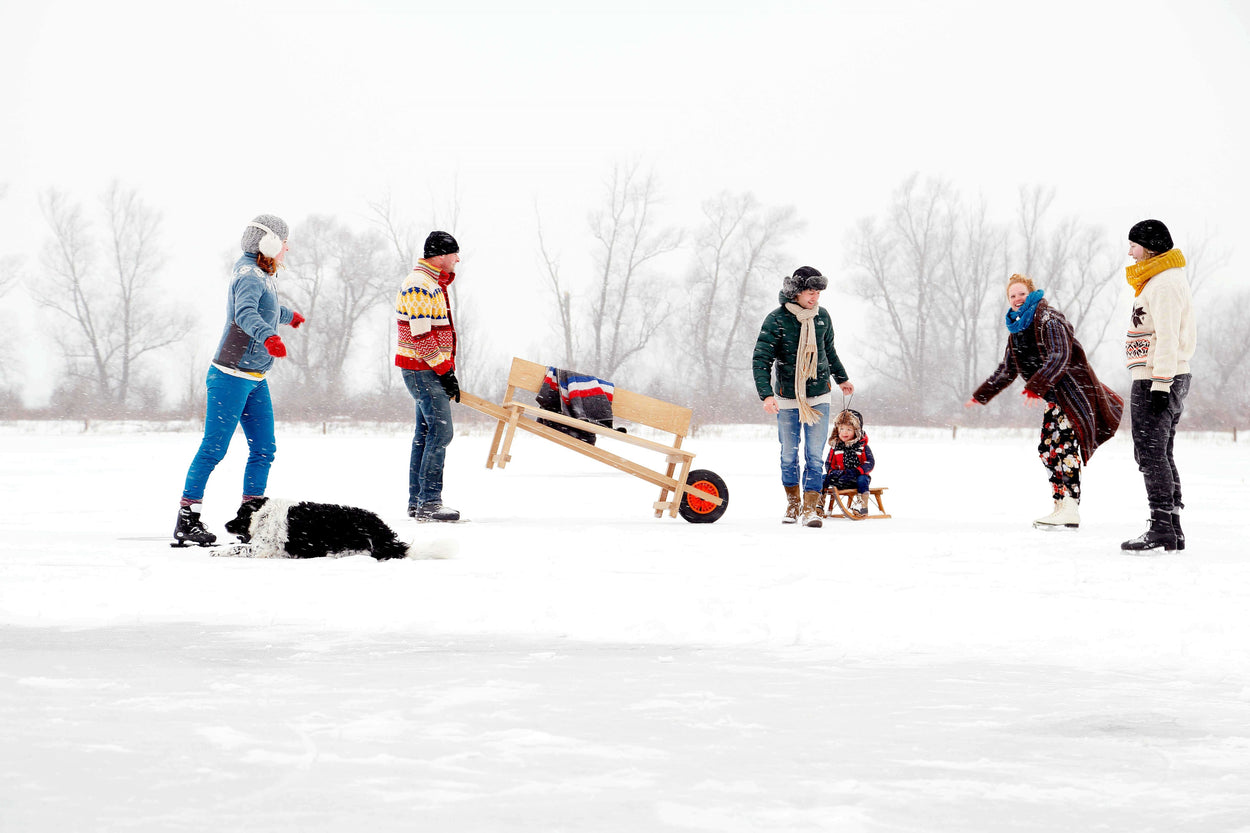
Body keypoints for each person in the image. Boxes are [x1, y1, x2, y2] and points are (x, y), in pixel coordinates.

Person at [173, 215, 305, 546]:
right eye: (283, 241)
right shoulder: (249, 275)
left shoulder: (261, 273)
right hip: (230, 375)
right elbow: (245, 314)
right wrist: (269, 337)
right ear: (270, 244)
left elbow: (266, 309)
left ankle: (251, 519)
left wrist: (288, 316)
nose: (287, 247)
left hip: (255, 377)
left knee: (264, 449)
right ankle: (187, 521)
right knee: (214, 448)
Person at [966, 274, 1122, 530]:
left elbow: (1060, 355)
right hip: (1055, 398)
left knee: (1065, 447)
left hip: (1074, 394)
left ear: (1031, 293)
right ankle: (1061, 504)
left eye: (1021, 293)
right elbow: (1007, 369)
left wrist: (1035, 387)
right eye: (1012, 295)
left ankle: (1071, 506)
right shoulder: (1016, 332)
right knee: (1048, 449)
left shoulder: (1049, 318)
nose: (1017, 299)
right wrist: (980, 395)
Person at [752, 266, 854, 528]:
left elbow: (828, 351)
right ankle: (793, 503)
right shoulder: (776, 319)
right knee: (789, 453)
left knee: (815, 455)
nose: (815, 298)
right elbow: (761, 359)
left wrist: (841, 378)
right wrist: (766, 395)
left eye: (818, 292)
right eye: (811, 292)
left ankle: (811, 509)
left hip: (819, 395)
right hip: (787, 397)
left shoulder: (822, 317)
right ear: (796, 292)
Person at [1119, 219, 1196, 552]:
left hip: (1158, 377)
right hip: (1160, 375)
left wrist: (1161, 384)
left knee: (1150, 453)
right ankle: (1172, 526)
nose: (1130, 252)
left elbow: (1167, 335)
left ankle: (1162, 525)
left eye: (1134, 245)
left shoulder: (1163, 283)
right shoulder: (1159, 280)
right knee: (1160, 452)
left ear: (1149, 247)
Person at [396, 231, 463, 522]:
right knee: (441, 432)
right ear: (440, 255)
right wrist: (444, 371)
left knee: (425, 435)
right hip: (422, 369)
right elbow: (421, 336)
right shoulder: (420, 286)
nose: (458, 259)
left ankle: (418, 501)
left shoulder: (431, 284)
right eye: (454, 254)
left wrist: (445, 371)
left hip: (425, 368)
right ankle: (429, 502)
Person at [823, 408, 875, 516]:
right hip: (840, 478)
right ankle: (819, 503)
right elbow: (829, 463)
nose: (844, 432)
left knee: (863, 479)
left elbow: (870, 462)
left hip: (856, 478)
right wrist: (833, 472)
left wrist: (857, 471)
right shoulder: (836, 447)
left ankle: (862, 505)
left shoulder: (862, 447)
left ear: (856, 431)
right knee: (823, 478)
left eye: (849, 429)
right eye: (841, 429)